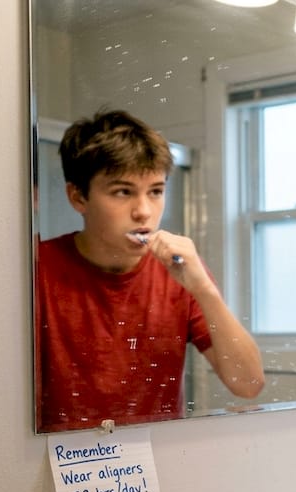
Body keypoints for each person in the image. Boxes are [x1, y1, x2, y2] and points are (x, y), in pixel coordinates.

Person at [34, 109, 264, 432]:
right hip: (63, 470)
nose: (144, 211)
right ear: (78, 197)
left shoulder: (181, 274)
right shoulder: (38, 268)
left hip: (157, 466)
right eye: (123, 192)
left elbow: (248, 384)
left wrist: (205, 290)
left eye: (155, 191)